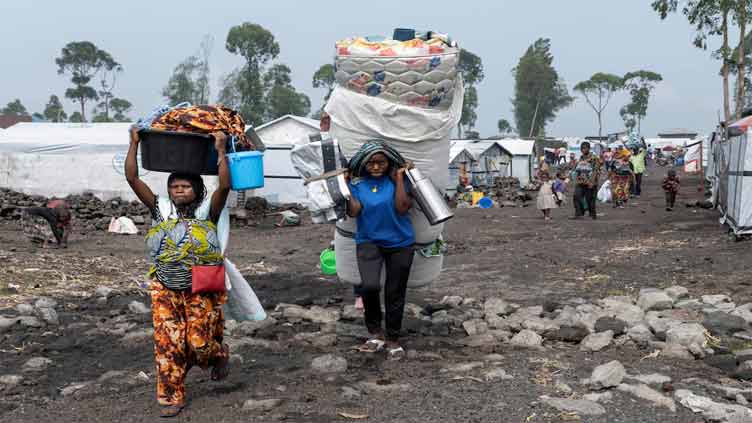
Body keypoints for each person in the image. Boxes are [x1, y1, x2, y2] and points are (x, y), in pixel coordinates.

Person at [125, 127, 232, 418]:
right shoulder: (161, 209)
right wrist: (133, 144)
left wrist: (221, 150)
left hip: (201, 283)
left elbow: (224, 186)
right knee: (167, 342)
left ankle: (217, 355)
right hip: (164, 284)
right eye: (174, 186)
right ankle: (171, 396)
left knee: (198, 342)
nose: (179, 190)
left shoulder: (208, 211)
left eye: (186, 186)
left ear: (197, 189)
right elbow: (133, 178)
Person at [346, 142, 414, 360]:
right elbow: (354, 211)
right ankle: (375, 332)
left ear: (388, 164)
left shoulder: (397, 182)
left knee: (395, 291)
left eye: (381, 162)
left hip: (400, 243)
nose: (376, 167)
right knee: (369, 286)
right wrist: (345, 187)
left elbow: (402, 208)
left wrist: (400, 179)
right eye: (371, 163)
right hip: (368, 241)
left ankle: (393, 338)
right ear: (364, 165)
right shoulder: (358, 185)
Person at [572, 142, 602, 219]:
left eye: (585, 148)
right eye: (582, 148)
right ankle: (578, 213)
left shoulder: (594, 158)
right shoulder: (581, 158)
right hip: (581, 181)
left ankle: (592, 214)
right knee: (576, 195)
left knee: (590, 199)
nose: (583, 150)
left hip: (591, 181)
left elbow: (596, 170)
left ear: (589, 148)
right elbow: (577, 169)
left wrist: (592, 181)